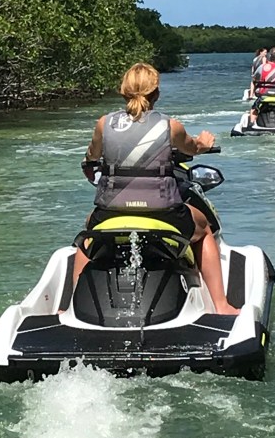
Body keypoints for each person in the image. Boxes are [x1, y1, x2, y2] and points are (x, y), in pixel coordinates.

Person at [73, 62, 239, 316]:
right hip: (164, 213)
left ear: (123, 91)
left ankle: (69, 307)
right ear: (156, 93)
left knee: (88, 237)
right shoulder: (170, 126)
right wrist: (204, 143)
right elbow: (192, 148)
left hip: (111, 212)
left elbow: (91, 156)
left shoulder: (104, 124)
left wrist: (89, 165)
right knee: (204, 229)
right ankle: (221, 304)